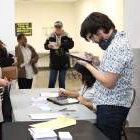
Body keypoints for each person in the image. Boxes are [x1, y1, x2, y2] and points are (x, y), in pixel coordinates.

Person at [79, 12, 134, 140]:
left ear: (100, 30)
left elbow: (109, 82)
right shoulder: (117, 42)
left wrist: (87, 66)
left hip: (112, 107)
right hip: (110, 105)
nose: (92, 41)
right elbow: (111, 70)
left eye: (91, 37)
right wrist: (95, 62)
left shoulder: (116, 47)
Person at [44, 21, 74, 89]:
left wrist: (62, 45)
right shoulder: (50, 35)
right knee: (51, 81)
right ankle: (50, 94)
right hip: (54, 62)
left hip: (64, 62)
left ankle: (62, 95)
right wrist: (48, 46)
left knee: (62, 81)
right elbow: (45, 46)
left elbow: (71, 45)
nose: (58, 28)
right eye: (56, 27)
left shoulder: (67, 35)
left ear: (61, 27)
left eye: (59, 27)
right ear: (54, 27)